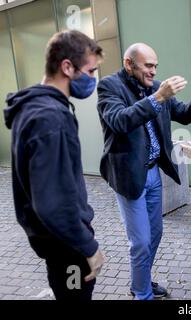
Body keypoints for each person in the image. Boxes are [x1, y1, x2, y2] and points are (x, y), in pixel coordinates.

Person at [96, 43, 191, 300]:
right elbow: (120, 121)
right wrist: (158, 97)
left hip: (154, 174)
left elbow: (182, 114)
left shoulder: (155, 87)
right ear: (129, 64)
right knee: (139, 242)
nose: (153, 71)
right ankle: (142, 293)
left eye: (155, 66)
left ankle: (142, 279)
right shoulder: (109, 87)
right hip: (129, 175)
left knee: (155, 233)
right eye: (148, 66)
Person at [4, 30, 104, 300]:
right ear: (67, 66)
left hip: (57, 243)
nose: (93, 79)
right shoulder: (50, 118)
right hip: (67, 247)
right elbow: (52, 203)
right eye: (91, 71)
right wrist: (88, 247)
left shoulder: (34, 108)